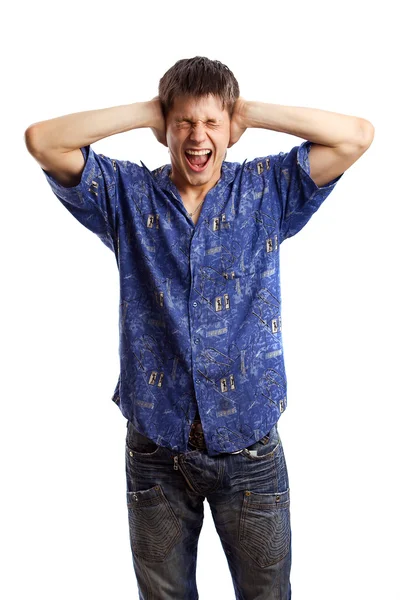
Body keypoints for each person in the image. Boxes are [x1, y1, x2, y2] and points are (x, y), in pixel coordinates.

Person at [24, 56, 374, 600]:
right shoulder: (126, 195)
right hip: (156, 450)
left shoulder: (267, 189)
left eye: (212, 123)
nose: (197, 137)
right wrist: (149, 112)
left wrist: (248, 111)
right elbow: (43, 140)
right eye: (184, 122)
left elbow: (356, 136)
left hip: (250, 448)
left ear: (229, 131)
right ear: (167, 128)